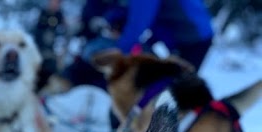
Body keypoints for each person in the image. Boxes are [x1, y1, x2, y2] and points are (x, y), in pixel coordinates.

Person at [57, 0, 214, 91]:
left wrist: (117, 53)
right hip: (170, 31)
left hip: (194, 40)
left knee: (177, 88)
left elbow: (137, 24)